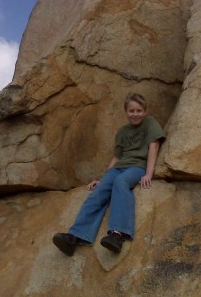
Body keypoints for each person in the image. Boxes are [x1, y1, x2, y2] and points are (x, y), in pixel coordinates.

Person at [53, 93, 165, 255]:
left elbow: (153, 147)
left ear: (145, 111)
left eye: (139, 110)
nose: (135, 114)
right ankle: (75, 236)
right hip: (119, 166)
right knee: (100, 190)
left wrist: (149, 174)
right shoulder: (122, 131)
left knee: (121, 182)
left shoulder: (150, 123)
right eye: (131, 111)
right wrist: (102, 178)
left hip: (137, 167)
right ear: (126, 112)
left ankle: (117, 234)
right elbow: (117, 157)